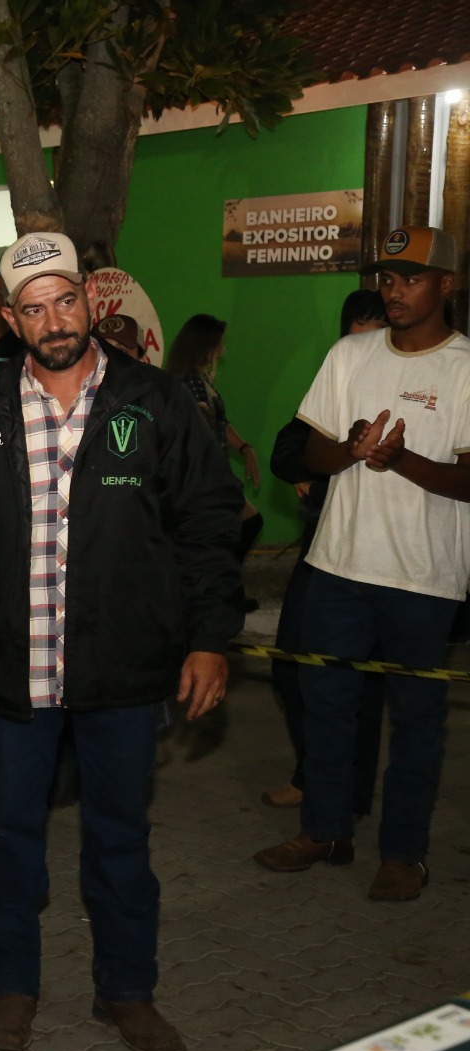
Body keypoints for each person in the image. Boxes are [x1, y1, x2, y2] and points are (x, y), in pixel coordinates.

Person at [0, 232, 241, 1051]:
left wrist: (210, 639)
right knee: (8, 834)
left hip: (125, 668)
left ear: (89, 301)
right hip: (13, 668)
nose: (53, 320)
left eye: (64, 300)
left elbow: (208, 523)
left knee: (120, 835)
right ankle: (10, 986)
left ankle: (127, 989)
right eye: (32, 309)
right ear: (11, 319)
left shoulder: (153, 398)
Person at [253, 226, 470, 904]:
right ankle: (325, 829)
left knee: (416, 720)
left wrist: (399, 459)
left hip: (423, 578)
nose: (394, 289)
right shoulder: (350, 354)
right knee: (326, 707)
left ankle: (403, 853)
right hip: (338, 566)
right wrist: (350, 449)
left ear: (446, 285)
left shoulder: (464, 368)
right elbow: (310, 452)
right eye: (387, 278)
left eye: (410, 277)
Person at [261, 289, 388, 813]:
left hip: (389, 560)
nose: (368, 354)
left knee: (371, 686)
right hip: (325, 553)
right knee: (294, 667)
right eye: (358, 342)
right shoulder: (334, 384)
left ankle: (346, 797)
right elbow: (286, 452)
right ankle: (315, 776)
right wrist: (323, 464)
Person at [166, 314, 263, 573]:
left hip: (211, 477)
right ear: (205, 346)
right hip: (205, 480)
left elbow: (221, 423)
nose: (223, 351)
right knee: (241, 526)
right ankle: (220, 585)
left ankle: (223, 585)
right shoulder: (191, 383)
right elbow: (200, 432)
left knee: (236, 530)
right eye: (220, 343)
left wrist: (245, 449)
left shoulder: (200, 379)